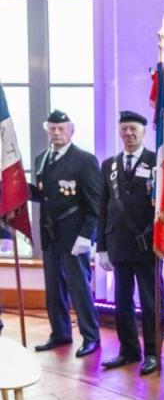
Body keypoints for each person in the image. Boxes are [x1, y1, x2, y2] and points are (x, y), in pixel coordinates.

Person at [30, 109, 101, 357]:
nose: (56, 133)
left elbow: (95, 203)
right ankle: (60, 333)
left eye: (61, 128)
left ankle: (91, 336)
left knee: (78, 287)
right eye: (52, 128)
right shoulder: (41, 158)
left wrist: (87, 237)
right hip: (50, 232)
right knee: (53, 287)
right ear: (47, 130)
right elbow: (44, 194)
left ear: (71, 130)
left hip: (74, 234)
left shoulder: (84, 160)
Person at [96, 110, 160, 375]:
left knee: (150, 301)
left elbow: (162, 206)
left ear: (143, 132)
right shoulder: (109, 165)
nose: (129, 134)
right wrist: (100, 247)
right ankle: (129, 350)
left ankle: (153, 354)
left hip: (147, 244)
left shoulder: (156, 161)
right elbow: (102, 206)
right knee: (121, 301)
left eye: (133, 129)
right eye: (124, 129)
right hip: (118, 244)